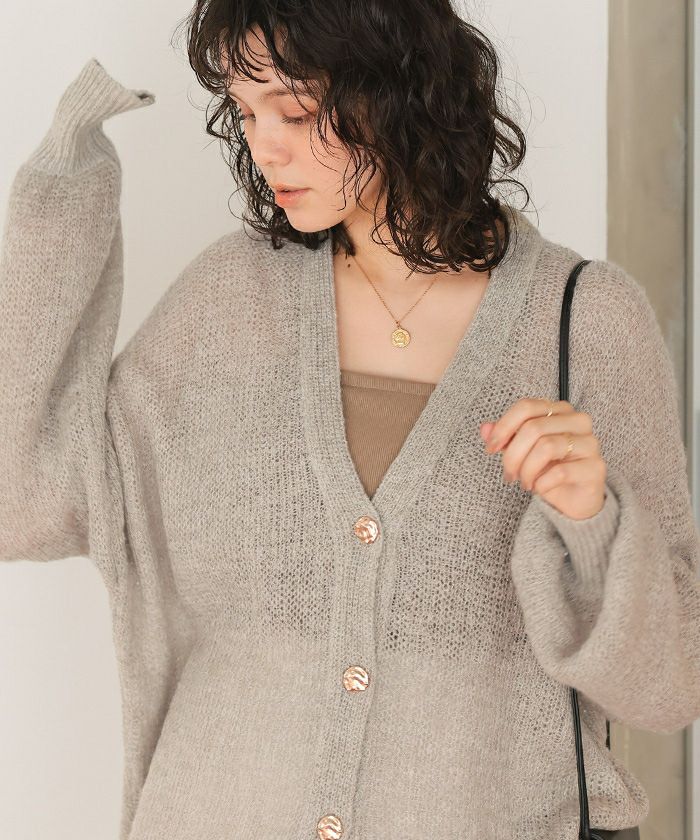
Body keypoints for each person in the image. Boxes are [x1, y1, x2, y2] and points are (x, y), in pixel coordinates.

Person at [1, 2, 698, 838]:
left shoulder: (585, 323)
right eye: (244, 112)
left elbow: (671, 684)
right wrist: (57, 198)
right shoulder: (225, 306)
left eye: (295, 111)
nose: (264, 146)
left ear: (400, 91)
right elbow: (23, 500)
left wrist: (593, 520)